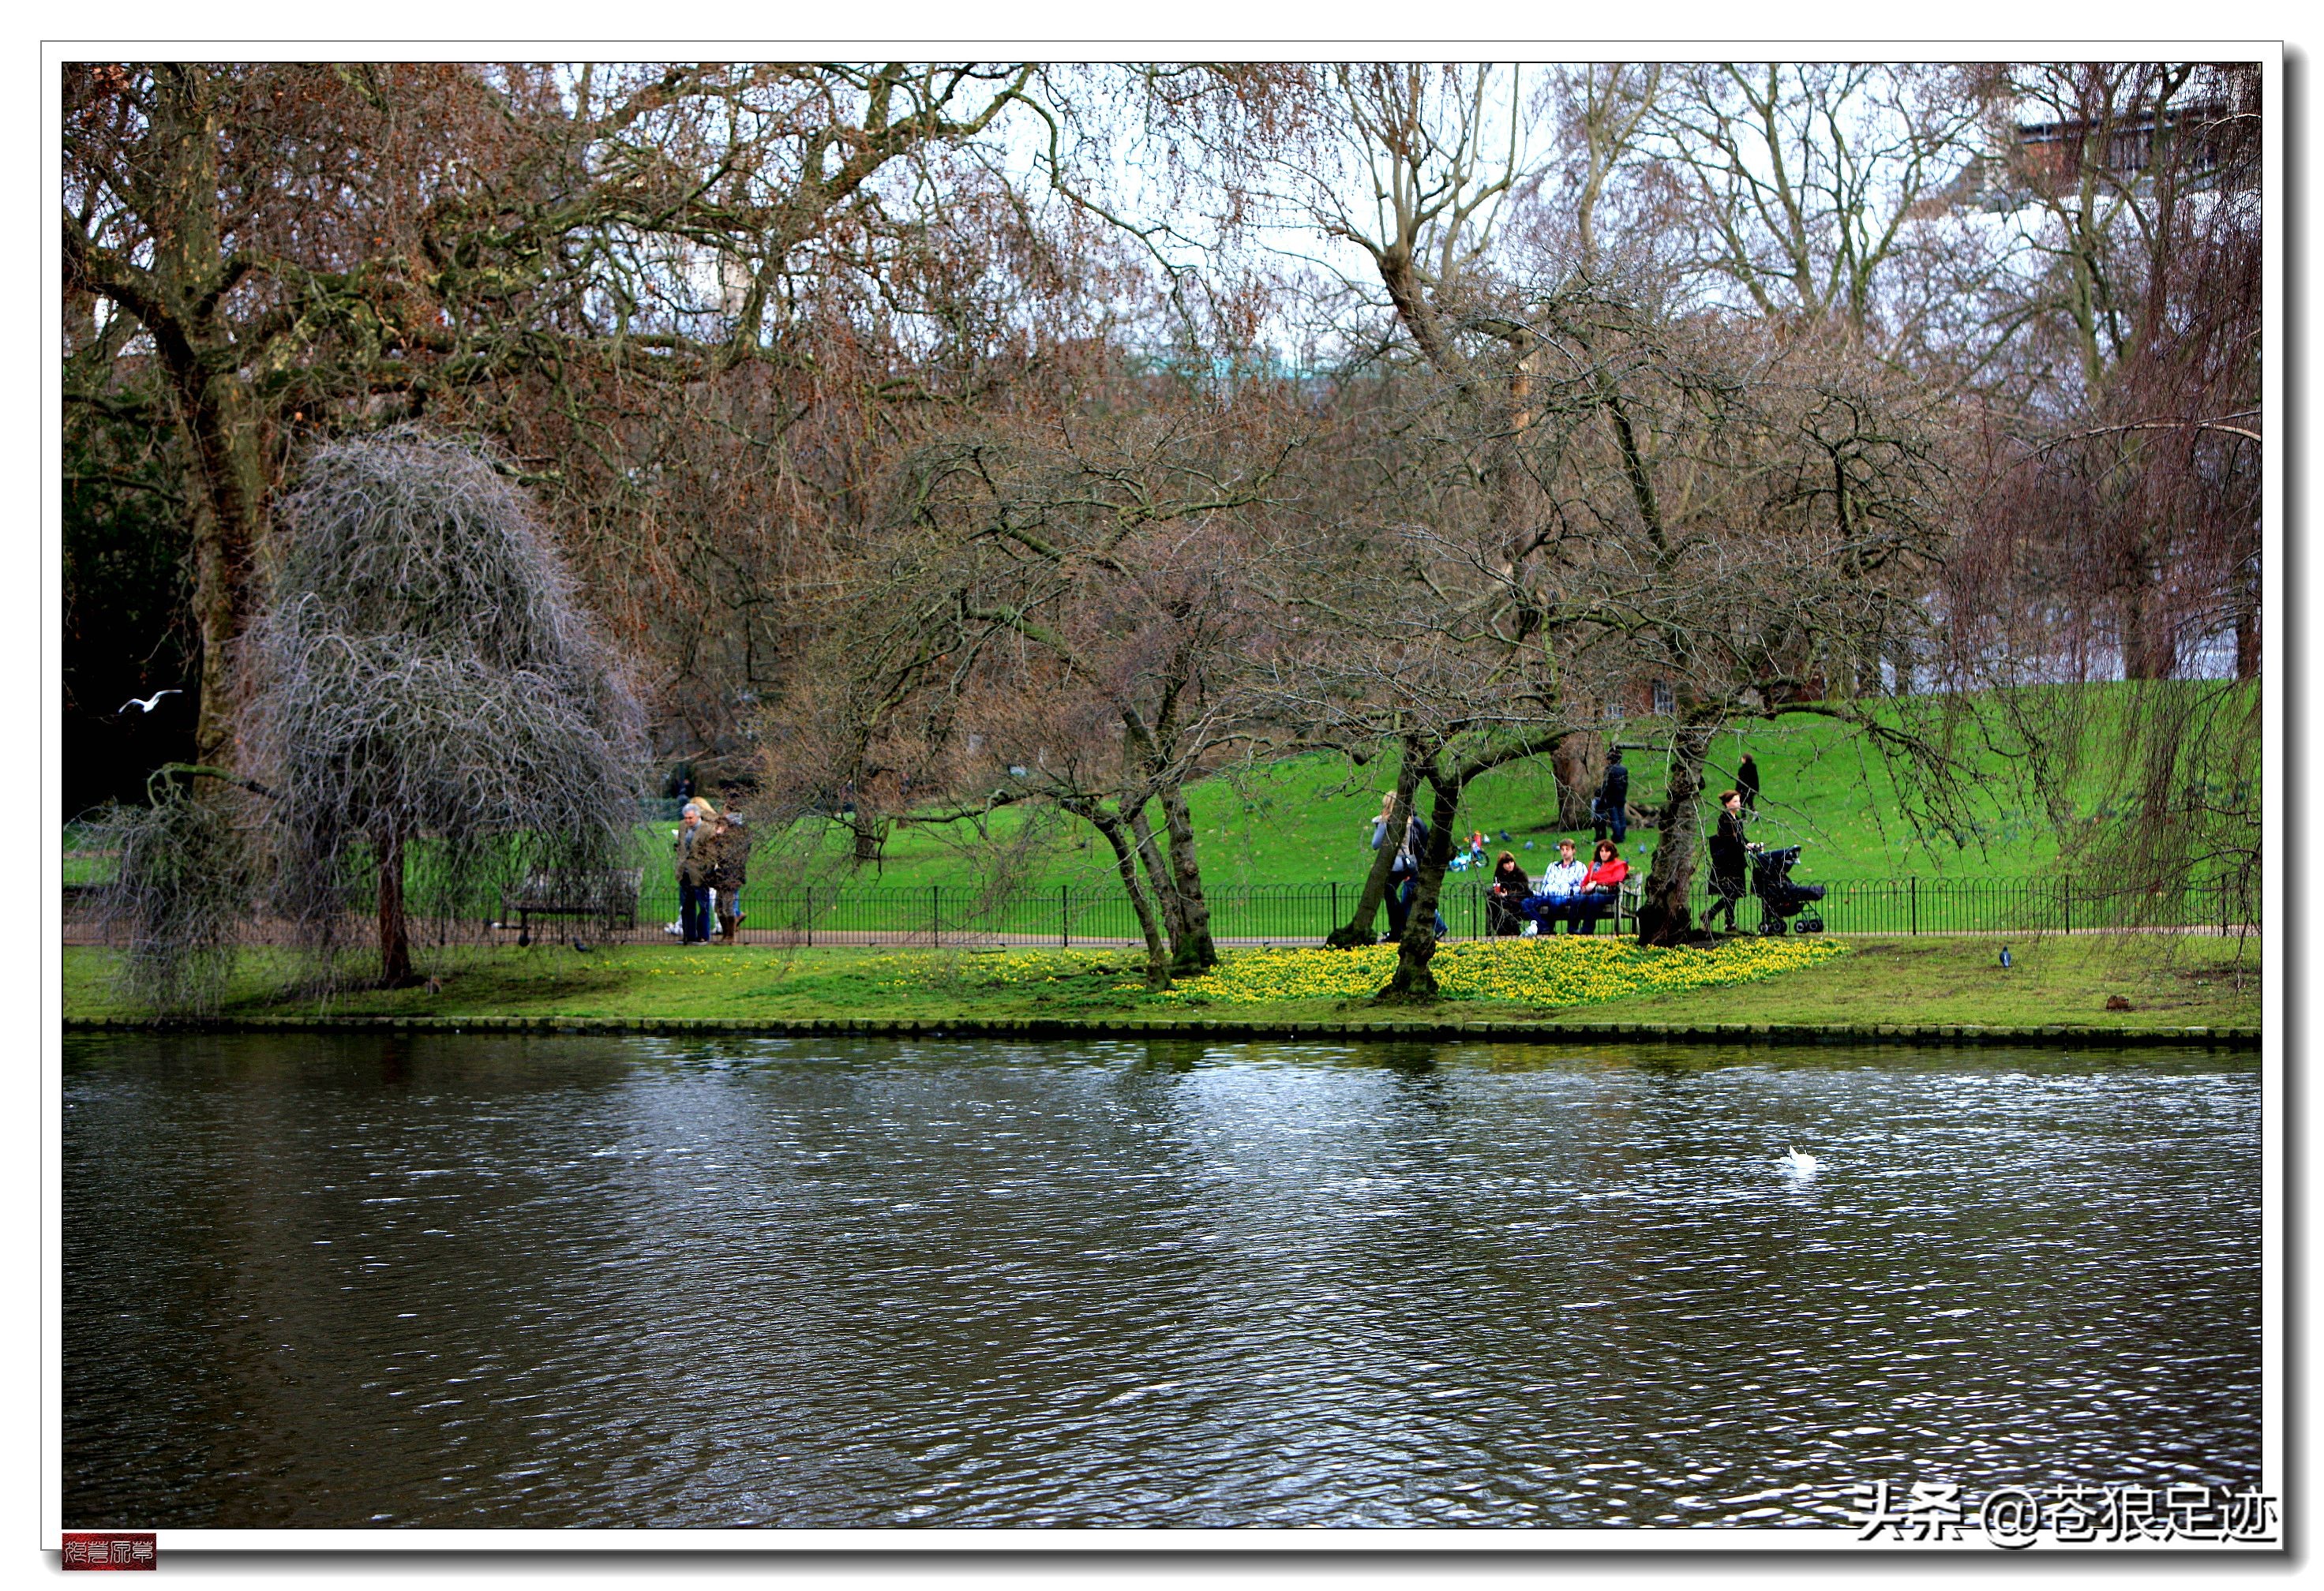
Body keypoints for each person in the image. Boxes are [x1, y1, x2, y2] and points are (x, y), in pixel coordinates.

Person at [693, 807, 752, 943]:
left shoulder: (737, 835)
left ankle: (730, 935)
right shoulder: (724, 834)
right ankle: (726, 934)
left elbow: (728, 853)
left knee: (728, 906)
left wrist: (720, 837)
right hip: (721, 874)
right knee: (719, 907)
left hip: (732, 875)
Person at [1705, 789, 1755, 932]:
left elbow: (1741, 838)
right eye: (1735, 801)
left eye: (1739, 801)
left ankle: (1727, 921)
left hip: (1737, 861)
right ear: (1727, 804)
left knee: (1734, 892)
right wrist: (1744, 845)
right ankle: (1713, 915)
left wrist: (1750, 844)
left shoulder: (1737, 819)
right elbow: (1729, 841)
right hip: (1728, 863)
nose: (1738, 803)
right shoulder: (1724, 820)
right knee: (1731, 892)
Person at [1522, 837, 1587, 933]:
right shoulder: (1553, 866)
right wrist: (1544, 892)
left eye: (1567, 849)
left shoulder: (1580, 867)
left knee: (1555, 902)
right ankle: (1544, 926)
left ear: (1573, 851)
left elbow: (1582, 886)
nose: (1564, 852)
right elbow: (1545, 883)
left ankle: (1548, 927)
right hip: (1547, 895)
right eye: (1562, 849)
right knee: (1526, 903)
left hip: (1565, 897)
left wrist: (1570, 891)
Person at [673, 799, 714, 944]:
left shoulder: (707, 830)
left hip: (699, 874)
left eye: (690, 818)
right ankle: (688, 935)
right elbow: (680, 846)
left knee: (703, 906)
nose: (688, 821)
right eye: (686, 818)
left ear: (697, 816)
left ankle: (703, 935)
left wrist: (704, 870)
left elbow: (711, 854)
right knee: (686, 906)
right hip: (684, 872)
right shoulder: (682, 827)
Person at [1570, 839, 1630, 933]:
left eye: (1607, 851)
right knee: (1577, 899)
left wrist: (1596, 883)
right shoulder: (1594, 864)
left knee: (1594, 898)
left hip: (1609, 893)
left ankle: (1587, 930)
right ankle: (1572, 929)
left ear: (1612, 852)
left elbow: (1617, 879)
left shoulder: (1619, 864)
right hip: (1591, 893)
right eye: (1602, 851)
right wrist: (1585, 888)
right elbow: (1585, 880)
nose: (1604, 854)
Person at [1486, 850, 1531, 936]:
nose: (1510, 865)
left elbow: (1524, 890)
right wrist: (1497, 892)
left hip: (1518, 900)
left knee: (1510, 908)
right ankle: (1501, 929)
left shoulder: (1520, 873)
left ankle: (1513, 929)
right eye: (1507, 863)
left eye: (1511, 862)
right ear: (1502, 865)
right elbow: (1497, 885)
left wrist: (1508, 894)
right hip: (1502, 899)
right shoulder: (1499, 874)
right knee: (1493, 903)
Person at [1594, 749, 1629, 844]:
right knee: (1621, 816)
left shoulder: (1608, 770)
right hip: (1621, 796)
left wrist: (1602, 799)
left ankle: (1617, 837)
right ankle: (1622, 835)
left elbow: (1606, 786)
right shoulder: (1624, 769)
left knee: (1615, 818)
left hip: (1611, 798)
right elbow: (1626, 784)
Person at [1737, 752, 1760, 818]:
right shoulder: (1753, 767)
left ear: (1745, 759)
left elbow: (1740, 781)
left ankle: (1744, 817)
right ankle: (1755, 813)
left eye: (1742, 758)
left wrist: (1737, 790)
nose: (1741, 759)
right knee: (1750, 801)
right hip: (1753, 788)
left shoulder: (1742, 770)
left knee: (1742, 802)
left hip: (1744, 789)